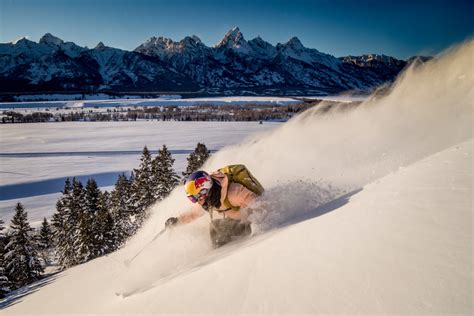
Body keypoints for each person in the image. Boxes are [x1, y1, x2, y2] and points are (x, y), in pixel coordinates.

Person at [165, 165, 264, 248]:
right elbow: (193, 214)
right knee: (215, 227)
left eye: (196, 197)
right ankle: (222, 253)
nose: (197, 201)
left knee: (216, 227)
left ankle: (230, 253)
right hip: (238, 220)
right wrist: (177, 221)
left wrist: (259, 228)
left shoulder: (234, 193)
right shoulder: (209, 199)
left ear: (205, 190)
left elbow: (260, 204)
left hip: (252, 222)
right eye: (192, 199)